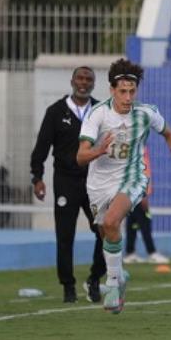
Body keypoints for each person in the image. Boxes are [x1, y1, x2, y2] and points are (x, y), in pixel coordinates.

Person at [77, 58, 171, 314]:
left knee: (111, 222)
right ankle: (119, 273)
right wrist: (99, 150)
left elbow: (170, 134)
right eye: (122, 91)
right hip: (98, 183)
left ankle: (112, 285)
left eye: (132, 91)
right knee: (105, 231)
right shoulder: (97, 114)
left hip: (132, 176)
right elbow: (80, 156)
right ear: (112, 90)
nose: (128, 97)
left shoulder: (145, 113)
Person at [30, 66, 106, 303]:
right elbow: (42, 146)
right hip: (65, 180)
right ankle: (68, 287)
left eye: (89, 79)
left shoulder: (101, 111)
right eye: (80, 78)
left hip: (94, 181)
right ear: (72, 81)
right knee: (65, 236)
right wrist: (37, 177)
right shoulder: (55, 111)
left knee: (105, 230)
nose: (84, 83)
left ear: (93, 83)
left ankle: (94, 279)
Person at [123, 147, 171, 264]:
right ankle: (151, 252)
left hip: (131, 190)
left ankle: (130, 252)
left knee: (133, 222)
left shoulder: (139, 145)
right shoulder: (137, 146)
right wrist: (143, 193)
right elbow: (138, 170)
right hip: (137, 190)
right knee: (145, 220)